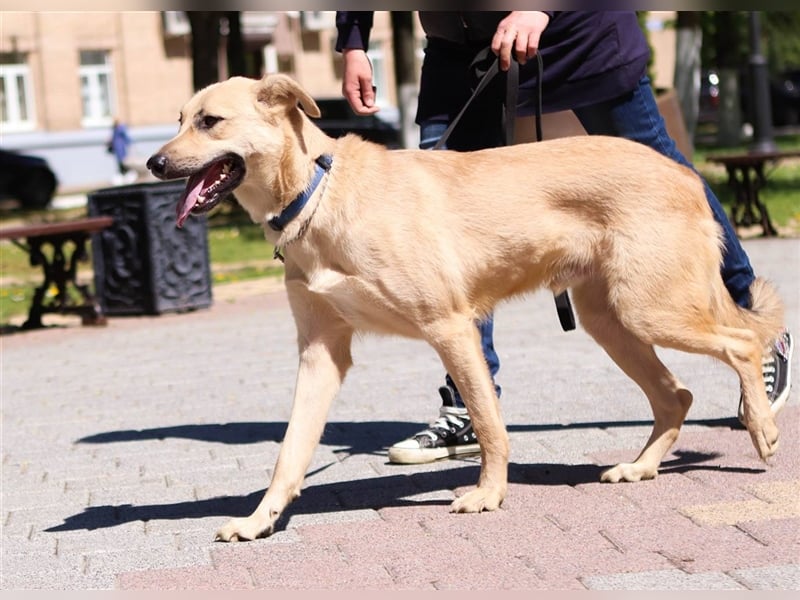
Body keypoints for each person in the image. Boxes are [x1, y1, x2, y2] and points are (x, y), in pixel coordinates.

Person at [335, 11, 794, 465]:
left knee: (659, 177)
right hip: (463, 46)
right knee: (451, 228)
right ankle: (470, 406)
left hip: (576, 37)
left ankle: (753, 326)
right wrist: (354, 38)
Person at [108, 118, 134, 184]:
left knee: (123, 162)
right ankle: (123, 175)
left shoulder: (120, 129)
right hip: (118, 148)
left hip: (121, 148)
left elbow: (126, 137)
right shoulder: (115, 129)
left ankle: (127, 175)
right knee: (120, 163)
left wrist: (129, 142)